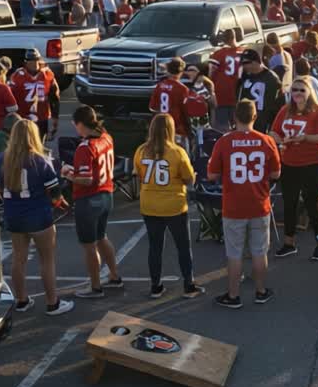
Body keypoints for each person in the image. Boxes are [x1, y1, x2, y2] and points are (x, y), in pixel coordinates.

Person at [0, 119, 75, 316]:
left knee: (18, 260)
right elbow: (55, 194)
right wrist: (59, 203)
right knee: (47, 261)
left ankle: (21, 300)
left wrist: (9, 201)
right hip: (38, 215)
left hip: (14, 215)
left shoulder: (3, 158)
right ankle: (52, 303)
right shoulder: (39, 160)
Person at [209, 100, 281, 308]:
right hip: (259, 203)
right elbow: (276, 173)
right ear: (254, 117)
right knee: (259, 251)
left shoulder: (224, 141)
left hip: (234, 205)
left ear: (234, 118)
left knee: (234, 253)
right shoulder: (266, 140)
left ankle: (233, 295)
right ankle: (260, 291)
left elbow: (212, 174)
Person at [134, 114, 203, 299]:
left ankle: (155, 286)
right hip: (174, 205)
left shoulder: (141, 150)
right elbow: (189, 179)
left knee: (155, 247)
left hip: (149, 204)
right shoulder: (177, 152)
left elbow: (138, 175)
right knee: (183, 246)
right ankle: (188, 284)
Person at [64, 105, 124, 298]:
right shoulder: (107, 137)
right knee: (102, 237)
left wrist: (68, 174)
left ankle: (95, 286)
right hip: (107, 194)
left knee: (89, 245)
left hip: (89, 199)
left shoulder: (85, 147)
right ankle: (114, 275)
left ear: (81, 124)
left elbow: (86, 179)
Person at [270, 79, 318, 260]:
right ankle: (289, 243)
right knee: (290, 203)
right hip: (289, 164)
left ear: (309, 92)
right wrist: (281, 141)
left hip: (312, 164)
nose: (297, 93)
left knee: (311, 204)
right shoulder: (285, 110)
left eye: (301, 90)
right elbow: (273, 132)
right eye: (294, 90)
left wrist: (305, 138)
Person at [9, 49, 60, 138]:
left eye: (36, 60)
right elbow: (10, 98)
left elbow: (54, 97)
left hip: (42, 117)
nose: (34, 63)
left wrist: (55, 117)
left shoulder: (47, 74)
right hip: (23, 118)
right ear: (26, 62)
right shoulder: (17, 76)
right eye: (31, 61)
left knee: (39, 145)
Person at [238, 49, 284, 134]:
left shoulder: (271, 78)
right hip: (248, 122)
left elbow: (277, 104)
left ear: (256, 62)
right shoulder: (246, 77)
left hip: (264, 122)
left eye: (246, 63)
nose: (243, 66)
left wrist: (272, 124)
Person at [150, 58, 192, 147]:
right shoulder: (182, 89)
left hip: (161, 128)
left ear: (167, 70)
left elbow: (153, 107)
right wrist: (189, 130)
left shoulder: (160, 85)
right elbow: (186, 112)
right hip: (177, 128)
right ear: (181, 71)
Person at [208, 31, 242, 132]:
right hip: (238, 94)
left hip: (221, 94)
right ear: (235, 37)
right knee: (238, 128)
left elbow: (211, 73)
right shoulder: (244, 52)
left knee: (221, 130)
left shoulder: (219, 54)